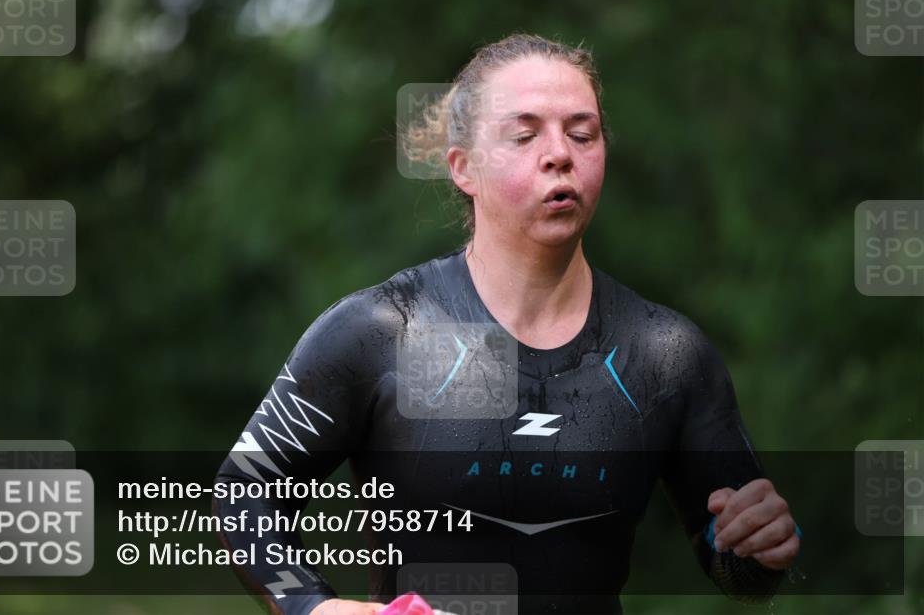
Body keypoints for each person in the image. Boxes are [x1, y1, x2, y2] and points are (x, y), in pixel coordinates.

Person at [214, 33, 800, 615]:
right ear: (464, 168)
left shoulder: (665, 354)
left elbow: (738, 568)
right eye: (524, 136)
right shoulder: (384, 330)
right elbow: (241, 491)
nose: (559, 153)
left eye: (582, 133)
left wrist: (760, 549)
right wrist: (311, 608)